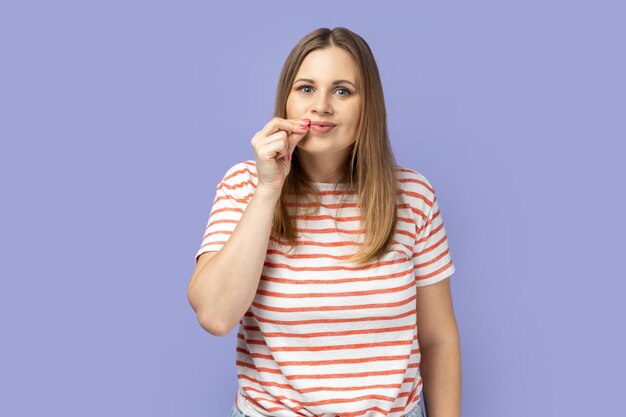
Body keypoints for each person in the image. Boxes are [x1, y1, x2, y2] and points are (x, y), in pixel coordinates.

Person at [188, 27, 461, 417]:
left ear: (369, 106)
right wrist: (269, 189)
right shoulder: (244, 185)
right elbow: (215, 316)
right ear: (286, 100)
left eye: (342, 90)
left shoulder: (413, 195)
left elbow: (438, 339)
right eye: (305, 89)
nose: (321, 106)